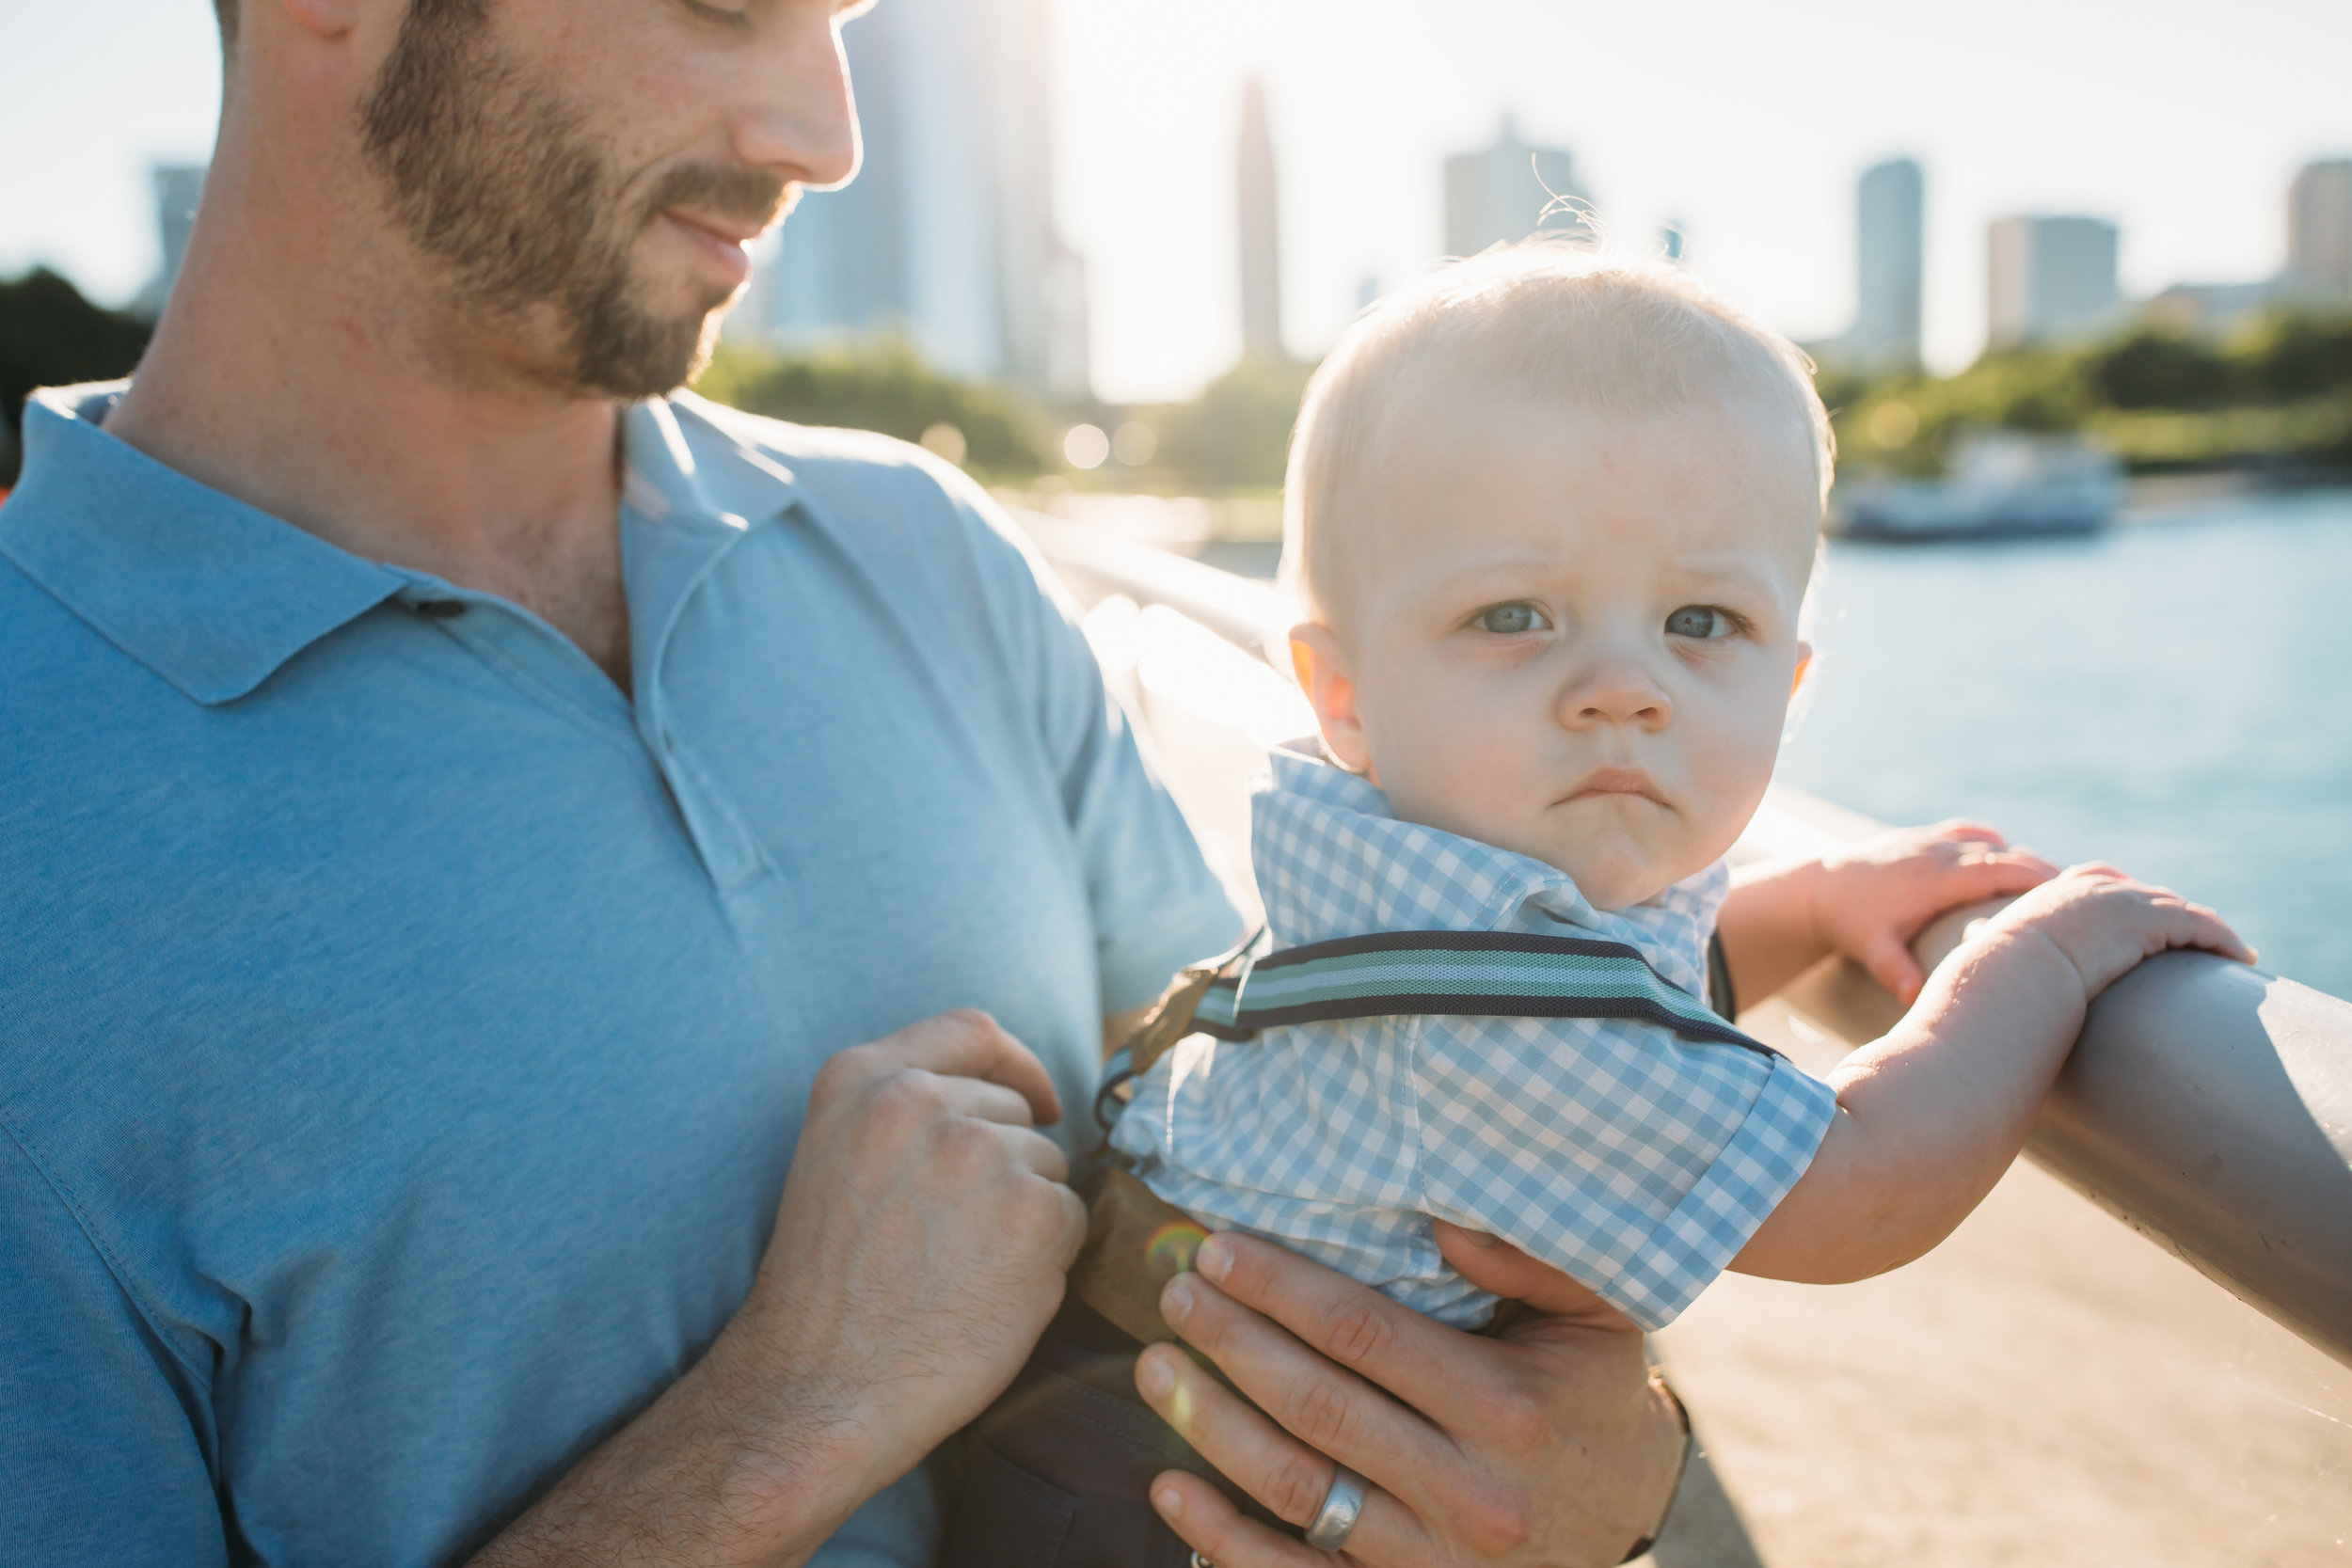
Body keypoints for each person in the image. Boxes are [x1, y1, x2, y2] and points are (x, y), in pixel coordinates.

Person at [2, 5, 1698, 1566]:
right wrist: (786, 1417)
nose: (828, 133)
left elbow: (1288, 1175)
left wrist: (1604, 1466)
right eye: (732, 2)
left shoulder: (927, 544)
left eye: (845, 20)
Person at [961, 244, 2254, 1562]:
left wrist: (1811, 904)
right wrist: (2041, 960)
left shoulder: (1398, 890)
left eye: (1702, 625)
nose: (1624, 686)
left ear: (1786, 687)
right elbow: (1859, 1189)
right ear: (1343, 692)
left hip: (1084, 1463)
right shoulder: (1490, 1013)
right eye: (1516, 613)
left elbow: (1626, 1001)